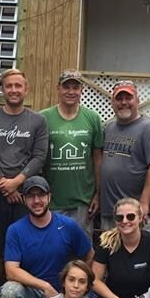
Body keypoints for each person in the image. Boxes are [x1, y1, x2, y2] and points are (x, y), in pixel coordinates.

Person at [0, 68, 49, 288]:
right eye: (9, 86)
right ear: (2, 90)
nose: (14, 90)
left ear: (26, 89)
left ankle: (18, 296)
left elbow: (39, 157)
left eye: (18, 85)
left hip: (25, 194)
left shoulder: (38, 120)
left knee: (22, 247)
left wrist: (17, 183)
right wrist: (4, 185)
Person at [0, 176, 94, 298]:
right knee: (9, 292)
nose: (36, 200)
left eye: (41, 195)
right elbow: (11, 271)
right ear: (23, 199)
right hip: (31, 291)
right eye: (31, 196)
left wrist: (78, 284)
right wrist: (44, 286)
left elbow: (89, 254)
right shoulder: (15, 230)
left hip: (61, 293)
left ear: (49, 197)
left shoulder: (67, 225)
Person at [40, 69, 104, 236]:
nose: (71, 92)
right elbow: (37, 158)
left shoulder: (92, 118)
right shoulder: (43, 118)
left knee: (81, 253)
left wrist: (98, 193)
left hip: (82, 202)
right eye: (66, 87)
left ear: (81, 90)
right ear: (58, 89)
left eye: (75, 88)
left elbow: (97, 157)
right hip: (51, 201)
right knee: (53, 251)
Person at [99, 80, 150, 230]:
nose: (124, 102)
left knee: (138, 253)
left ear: (137, 100)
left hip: (135, 213)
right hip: (110, 210)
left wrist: (144, 202)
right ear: (112, 102)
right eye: (119, 98)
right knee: (111, 252)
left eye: (128, 98)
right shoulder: (109, 128)